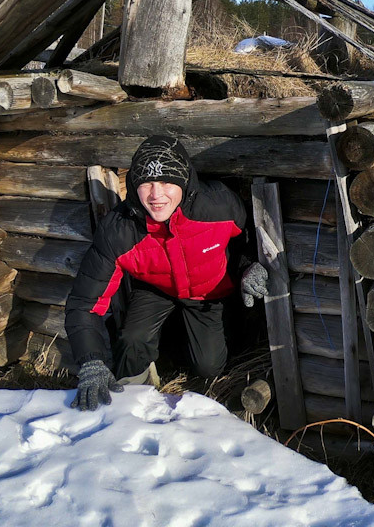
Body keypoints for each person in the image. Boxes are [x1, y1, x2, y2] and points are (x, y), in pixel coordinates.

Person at [65, 135, 268, 411]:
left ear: (184, 182)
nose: (156, 195)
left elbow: (244, 239)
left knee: (208, 366)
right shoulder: (120, 231)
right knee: (132, 340)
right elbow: (85, 303)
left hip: (208, 291)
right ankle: (130, 404)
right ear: (134, 185)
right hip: (156, 288)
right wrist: (90, 361)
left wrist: (247, 266)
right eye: (146, 182)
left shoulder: (219, 206)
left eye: (166, 182)